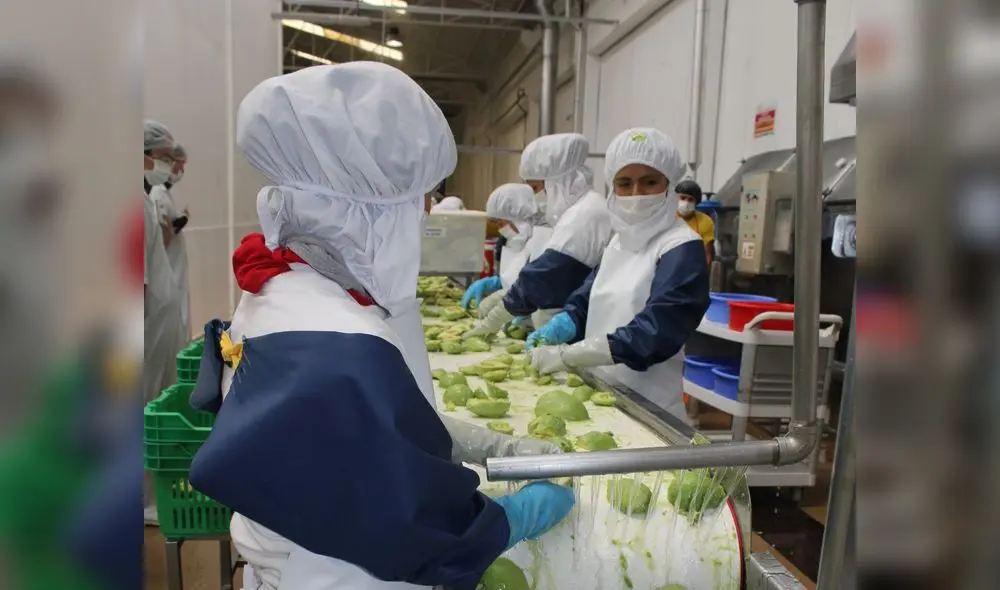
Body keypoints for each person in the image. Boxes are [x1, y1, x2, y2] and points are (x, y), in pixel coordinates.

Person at [186, 62, 573, 590]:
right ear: (374, 210)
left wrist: (492, 446)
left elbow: (362, 430)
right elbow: (416, 532)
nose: (425, 214)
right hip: (339, 576)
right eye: (421, 199)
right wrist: (508, 519)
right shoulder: (337, 340)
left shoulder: (286, 288)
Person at [528, 128, 710, 419]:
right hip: (599, 394)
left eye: (649, 182)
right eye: (624, 183)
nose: (636, 194)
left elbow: (658, 330)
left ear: (669, 184)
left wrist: (569, 355)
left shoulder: (682, 247)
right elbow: (591, 296)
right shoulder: (618, 240)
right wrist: (567, 321)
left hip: (649, 406)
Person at [464, 133, 613, 338]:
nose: (534, 198)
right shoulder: (573, 213)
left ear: (557, 180)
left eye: (535, 188)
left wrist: (496, 317)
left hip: (579, 329)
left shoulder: (587, 213)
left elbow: (544, 275)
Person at [142, 120, 183, 525]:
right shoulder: (138, 203)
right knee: (141, 406)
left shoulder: (142, 199)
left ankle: (152, 495)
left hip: (158, 316)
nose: (169, 166)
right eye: (164, 157)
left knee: (154, 401)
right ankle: (143, 500)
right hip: (147, 322)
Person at [469, 183, 551, 319]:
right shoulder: (511, 242)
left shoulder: (544, 243)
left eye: (502, 222)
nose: (500, 228)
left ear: (521, 218)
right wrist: (499, 282)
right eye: (496, 223)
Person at [149, 143, 191, 340]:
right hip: (170, 272)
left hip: (176, 271)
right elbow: (162, 235)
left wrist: (177, 223)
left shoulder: (164, 194)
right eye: (178, 164)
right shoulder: (157, 193)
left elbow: (167, 228)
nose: (181, 170)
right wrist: (177, 224)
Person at [675, 178, 715, 265]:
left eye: (690, 200)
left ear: (696, 203)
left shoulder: (705, 221)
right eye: (683, 198)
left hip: (693, 266)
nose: (686, 203)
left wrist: (704, 272)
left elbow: (707, 255)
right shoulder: (667, 218)